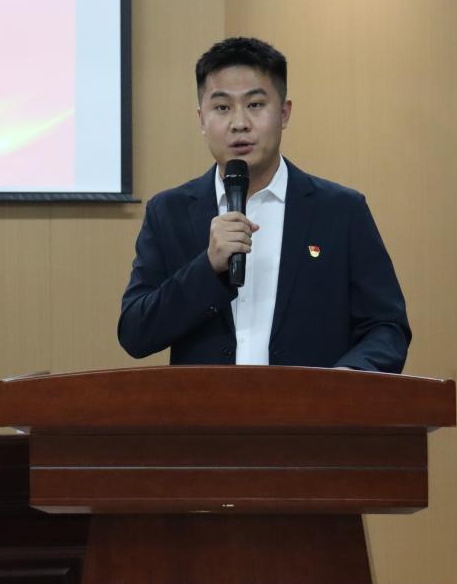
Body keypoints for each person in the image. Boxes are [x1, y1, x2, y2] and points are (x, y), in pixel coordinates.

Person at [118, 37, 410, 371]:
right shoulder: (169, 212)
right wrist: (207, 268)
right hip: (206, 405)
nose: (239, 123)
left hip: (310, 404)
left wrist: (346, 380)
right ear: (201, 119)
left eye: (255, 105)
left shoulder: (341, 211)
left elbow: (387, 327)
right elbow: (135, 333)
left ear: (284, 113)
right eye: (222, 108)